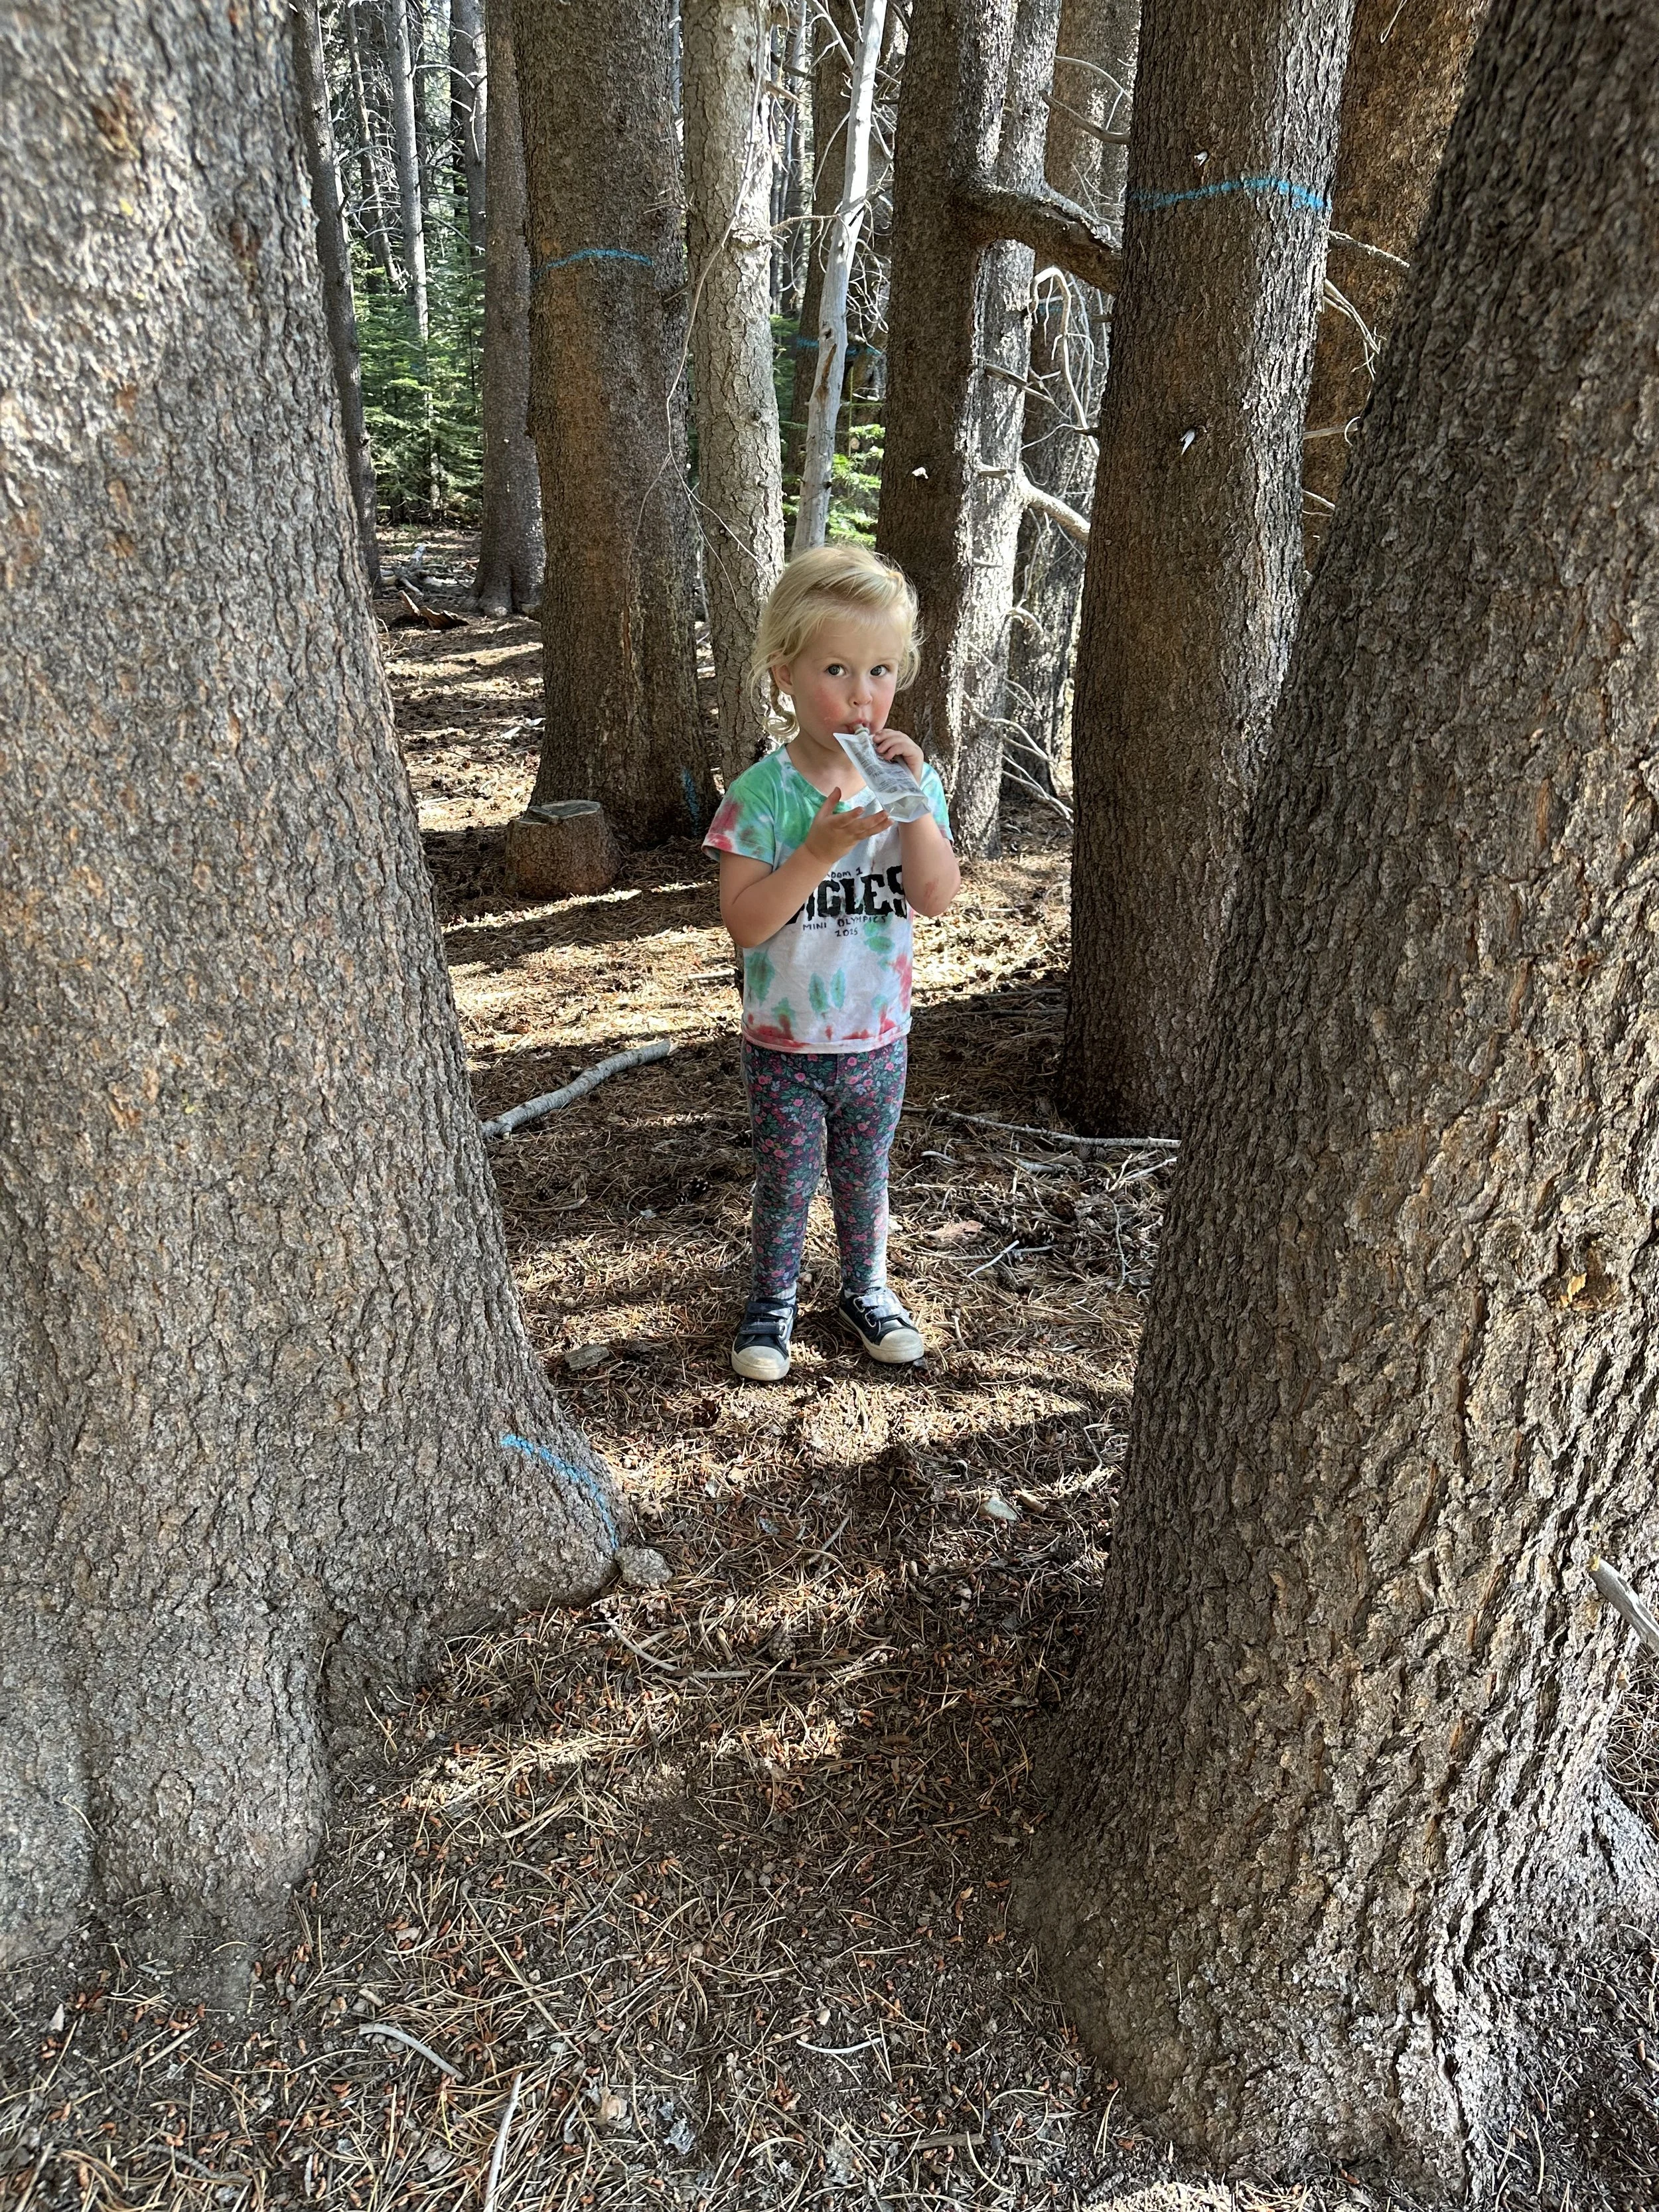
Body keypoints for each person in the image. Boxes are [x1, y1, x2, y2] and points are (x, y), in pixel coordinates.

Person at [703, 544, 962, 1382]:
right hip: (787, 1043)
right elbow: (746, 924)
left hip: (877, 1035)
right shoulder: (761, 794)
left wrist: (912, 805)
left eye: (880, 671)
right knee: (786, 1183)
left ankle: (866, 1290)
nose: (861, 695)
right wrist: (816, 850)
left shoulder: (905, 783)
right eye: (837, 670)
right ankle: (771, 1302)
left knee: (864, 1176)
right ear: (785, 675)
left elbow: (935, 896)